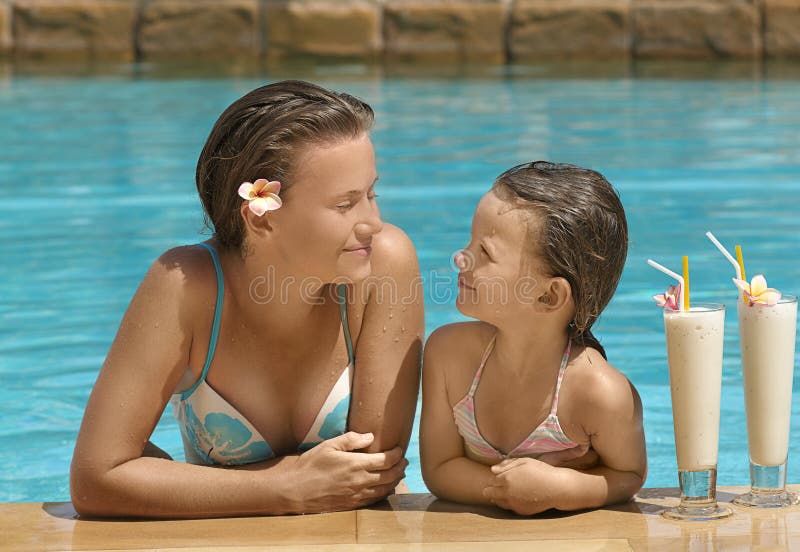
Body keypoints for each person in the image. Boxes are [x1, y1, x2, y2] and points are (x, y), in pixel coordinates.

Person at [71, 80, 423, 518]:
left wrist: (187, 485)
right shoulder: (186, 287)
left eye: (371, 194)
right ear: (261, 220)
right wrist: (283, 488)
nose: (373, 221)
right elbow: (95, 479)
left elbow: (372, 475)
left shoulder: (384, 267)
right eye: (345, 204)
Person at [420, 161, 646, 515]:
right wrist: (511, 488)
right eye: (471, 242)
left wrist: (568, 489)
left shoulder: (601, 394)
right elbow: (438, 469)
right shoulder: (448, 355)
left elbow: (629, 475)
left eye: (486, 253)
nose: (460, 258)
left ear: (549, 296)